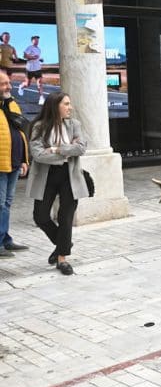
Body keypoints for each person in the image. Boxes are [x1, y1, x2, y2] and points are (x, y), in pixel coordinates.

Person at [27, 91, 88, 275]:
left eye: (70, 104)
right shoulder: (38, 127)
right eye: (66, 104)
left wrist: (55, 149)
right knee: (40, 216)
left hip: (70, 176)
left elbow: (81, 147)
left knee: (65, 217)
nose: (70, 107)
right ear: (55, 106)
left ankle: (62, 259)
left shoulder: (74, 125)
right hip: (46, 176)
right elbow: (38, 155)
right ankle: (64, 243)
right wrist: (65, 153)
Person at [0, 69, 30, 259]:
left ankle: (5, 239)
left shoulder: (9, 105)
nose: (8, 87)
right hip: (1, 165)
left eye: (8, 83)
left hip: (13, 162)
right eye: (4, 84)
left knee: (7, 203)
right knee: (0, 204)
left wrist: (24, 160)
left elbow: (21, 129)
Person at [21, 36, 44, 105]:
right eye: (35, 40)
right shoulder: (29, 48)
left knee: (39, 83)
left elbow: (37, 58)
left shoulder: (39, 49)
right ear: (32, 41)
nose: (37, 41)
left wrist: (40, 59)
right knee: (27, 84)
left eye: (37, 40)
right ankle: (21, 86)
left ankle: (41, 98)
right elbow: (24, 56)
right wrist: (33, 57)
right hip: (30, 69)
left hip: (37, 68)